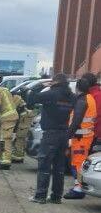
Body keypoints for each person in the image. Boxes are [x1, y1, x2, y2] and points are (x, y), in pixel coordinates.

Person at [29, 73, 74, 204]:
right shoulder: (71, 96)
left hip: (50, 134)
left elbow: (31, 100)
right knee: (59, 167)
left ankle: (40, 196)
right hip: (64, 134)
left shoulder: (51, 93)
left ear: (54, 82)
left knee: (44, 164)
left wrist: (39, 86)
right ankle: (56, 196)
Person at [63, 74, 97, 200]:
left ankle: (78, 189)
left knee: (77, 163)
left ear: (77, 88)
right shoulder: (89, 98)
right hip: (84, 136)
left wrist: (67, 136)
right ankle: (79, 187)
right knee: (77, 162)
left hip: (80, 138)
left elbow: (76, 121)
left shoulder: (82, 101)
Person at [0, 76, 19, 169]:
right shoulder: (4, 89)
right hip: (9, 116)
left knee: (5, 138)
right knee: (0, 137)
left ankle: (6, 161)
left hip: (8, 117)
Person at [11, 92, 33, 164]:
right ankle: (19, 156)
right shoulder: (20, 99)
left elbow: (12, 109)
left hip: (24, 120)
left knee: (20, 138)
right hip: (25, 120)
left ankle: (17, 158)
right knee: (21, 139)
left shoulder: (16, 97)